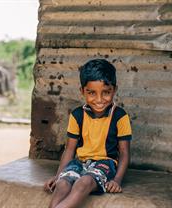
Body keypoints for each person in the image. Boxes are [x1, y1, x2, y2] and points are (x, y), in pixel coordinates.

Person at [44, 59, 132, 208]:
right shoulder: (77, 115)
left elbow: (124, 152)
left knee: (83, 183)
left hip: (105, 164)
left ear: (114, 90)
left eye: (106, 92)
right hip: (79, 163)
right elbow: (70, 149)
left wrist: (117, 180)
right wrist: (58, 175)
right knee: (63, 184)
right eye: (91, 93)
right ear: (82, 91)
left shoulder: (120, 116)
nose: (99, 100)